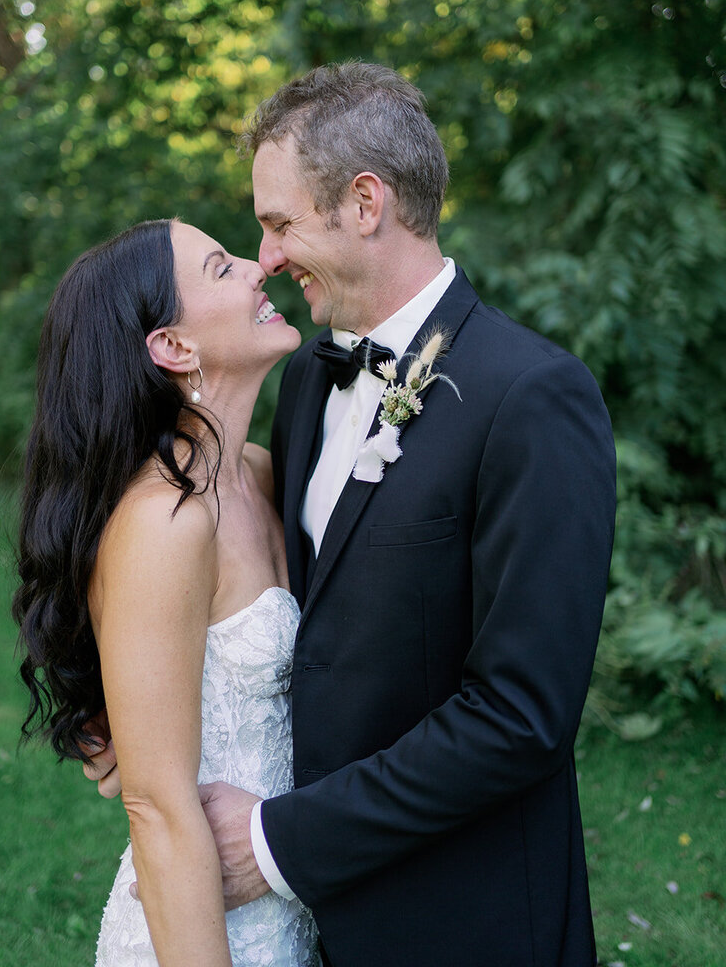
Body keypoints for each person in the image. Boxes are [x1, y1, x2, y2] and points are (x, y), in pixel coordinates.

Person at [87, 63, 617, 967]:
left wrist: (275, 844)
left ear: (365, 203)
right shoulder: (301, 384)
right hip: (316, 933)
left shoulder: (531, 397)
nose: (268, 258)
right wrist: (116, 720)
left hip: (465, 920)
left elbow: (522, 715)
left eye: (279, 223)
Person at [13, 218, 320, 966]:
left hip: (291, 894)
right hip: (198, 929)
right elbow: (156, 807)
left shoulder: (259, 473)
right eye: (221, 269)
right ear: (173, 347)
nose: (257, 268)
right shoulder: (164, 521)